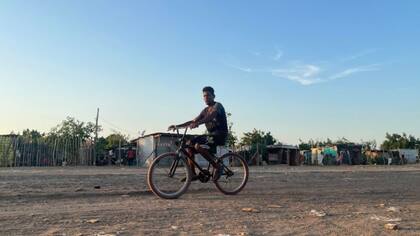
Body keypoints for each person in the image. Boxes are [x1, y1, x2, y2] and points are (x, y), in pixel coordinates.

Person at [168, 86, 228, 181]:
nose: (206, 97)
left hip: (219, 135)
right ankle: (192, 174)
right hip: (211, 136)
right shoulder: (205, 110)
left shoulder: (218, 106)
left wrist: (198, 123)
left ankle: (217, 166)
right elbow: (193, 121)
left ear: (213, 96)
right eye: (204, 96)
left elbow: (211, 116)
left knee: (197, 146)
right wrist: (177, 126)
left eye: (208, 95)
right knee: (189, 145)